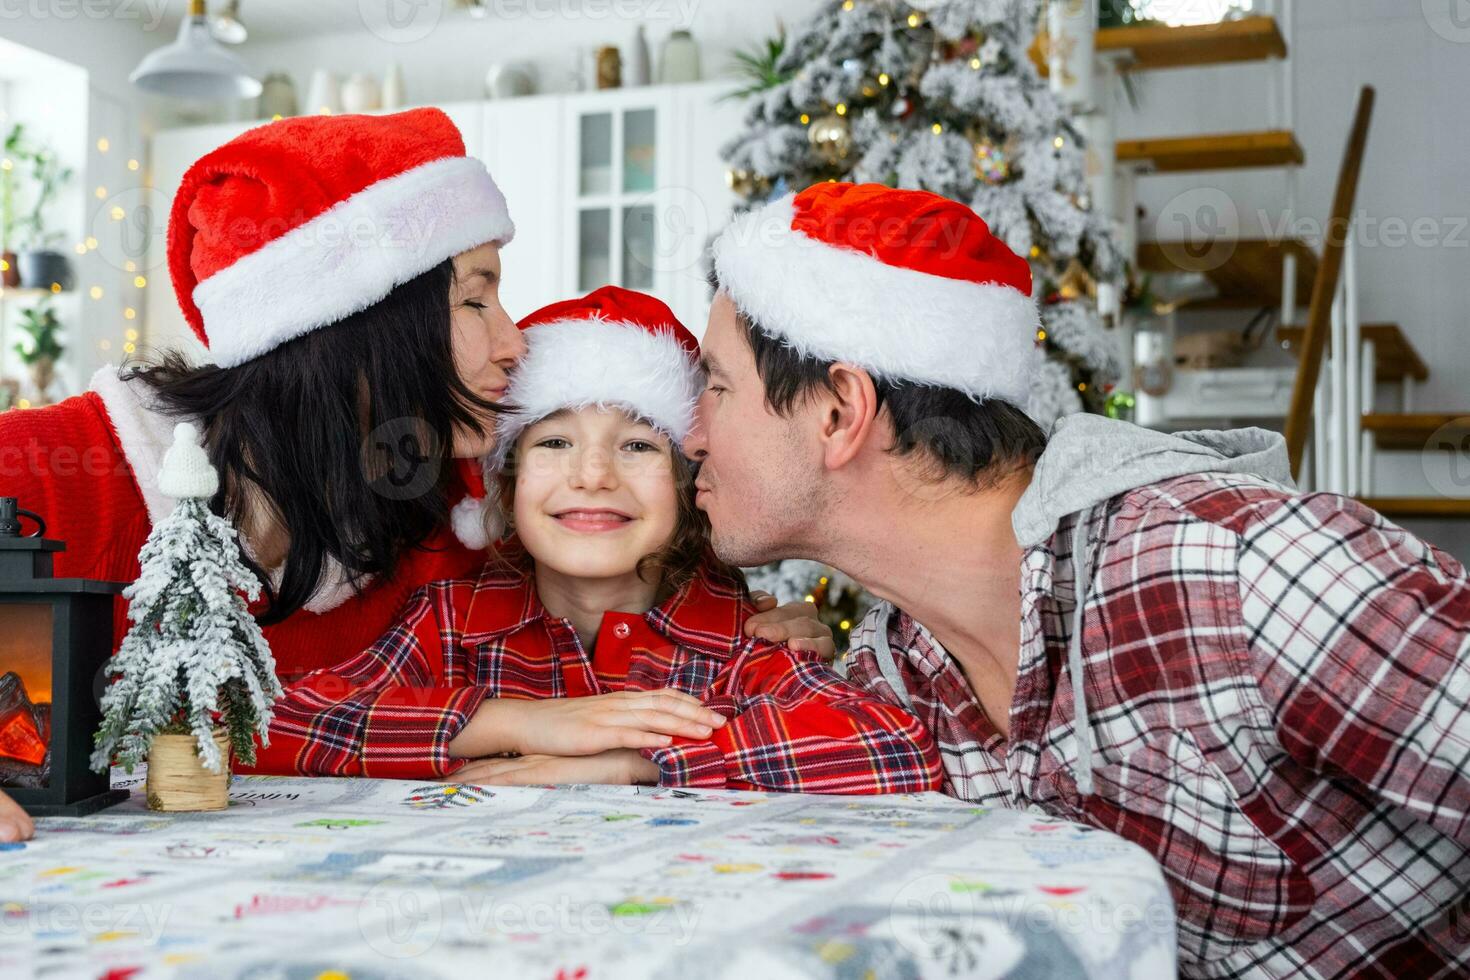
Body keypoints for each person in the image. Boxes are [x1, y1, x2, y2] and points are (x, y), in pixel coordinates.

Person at [686, 181, 1470, 977]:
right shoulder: (902, 682)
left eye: (717, 387)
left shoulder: (1234, 569)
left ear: (839, 412)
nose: (690, 431)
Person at [0, 108, 831, 682]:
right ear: (350, 328)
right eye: (475, 299)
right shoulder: (53, 473)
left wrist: (751, 630)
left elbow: (616, 553)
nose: (513, 342)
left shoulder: (446, 502)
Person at [244, 287, 942, 793]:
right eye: (553, 441)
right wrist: (520, 724)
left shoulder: (734, 634)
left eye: (638, 445)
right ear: (507, 483)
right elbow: (254, 725)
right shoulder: (451, 622)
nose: (593, 476)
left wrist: (634, 762)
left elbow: (893, 746)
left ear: (688, 482)